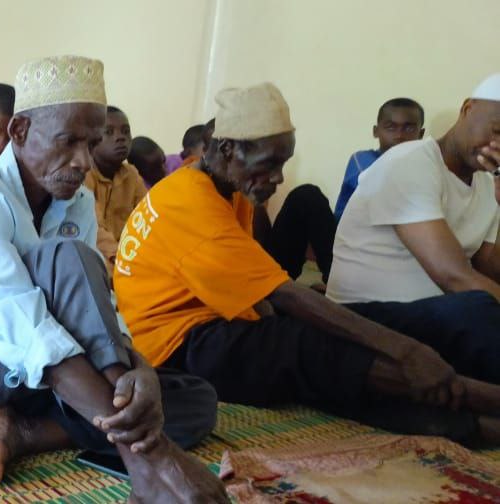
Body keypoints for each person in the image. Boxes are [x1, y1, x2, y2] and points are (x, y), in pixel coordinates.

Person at [0, 56, 226, 502]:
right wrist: (154, 455)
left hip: (37, 369)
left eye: (91, 143)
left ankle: (20, 430)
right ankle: (140, 462)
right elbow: (25, 329)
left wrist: (136, 368)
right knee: (65, 260)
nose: (83, 161)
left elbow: (94, 305)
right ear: (19, 132)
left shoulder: (76, 202)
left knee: (194, 399)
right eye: (68, 141)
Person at [115, 82, 500, 448]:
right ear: (227, 150)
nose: (278, 177)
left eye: (283, 163)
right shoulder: (190, 203)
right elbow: (286, 296)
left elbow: (261, 294)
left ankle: (465, 408)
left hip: (222, 319)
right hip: (178, 349)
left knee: (369, 329)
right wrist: (406, 352)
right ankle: (477, 410)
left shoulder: (218, 183)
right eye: (269, 164)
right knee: (311, 349)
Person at [328, 74, 500, 384]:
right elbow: (454, 277)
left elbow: (490, 266)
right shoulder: (410, 161)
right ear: (468, 109)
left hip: (434, 319)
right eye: (497, 130)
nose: (498, 146)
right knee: (476, 308)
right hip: (362, 322)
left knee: (477, 310)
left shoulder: (487, 185)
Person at [333, 98, 425, 219]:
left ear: (421, 134)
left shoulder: (426, 165)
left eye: (409, 129)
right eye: (390, 127)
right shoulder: (362, 159)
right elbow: (383, 192)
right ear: (376, 131)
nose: (399, 135)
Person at [85, 106, 145, 272]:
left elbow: (148, 220)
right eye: (109, 132)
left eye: (126, 132)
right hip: (98, 253)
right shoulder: (84, 174)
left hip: (128, 256)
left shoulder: (131, 175)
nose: (120, 138)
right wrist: (124, 259)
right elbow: (94, 229)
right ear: (92, 141)